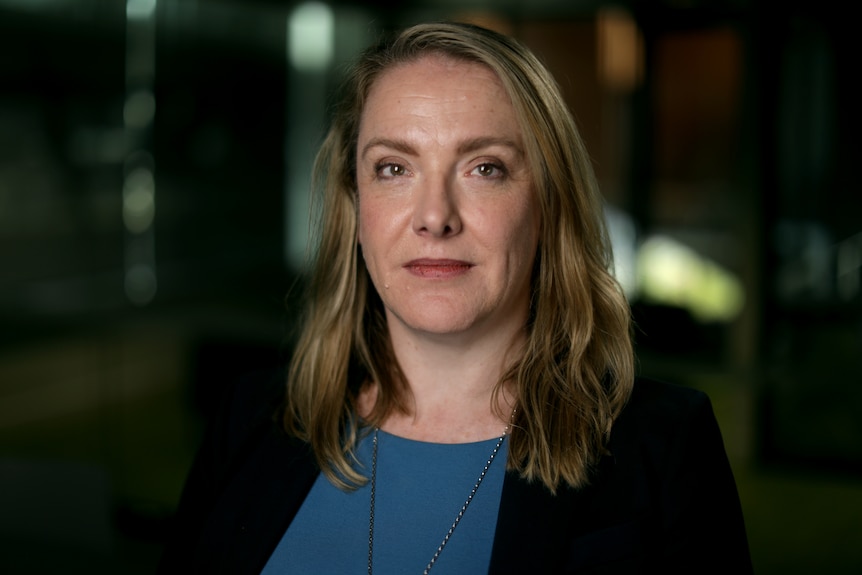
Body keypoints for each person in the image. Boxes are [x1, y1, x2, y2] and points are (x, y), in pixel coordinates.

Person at [157, 21, 752, 574]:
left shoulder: (665, 448)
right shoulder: (251, 418)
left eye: (484, 168)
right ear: (355, 204)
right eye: (394, 168)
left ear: (548, 203)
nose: (435, 217)